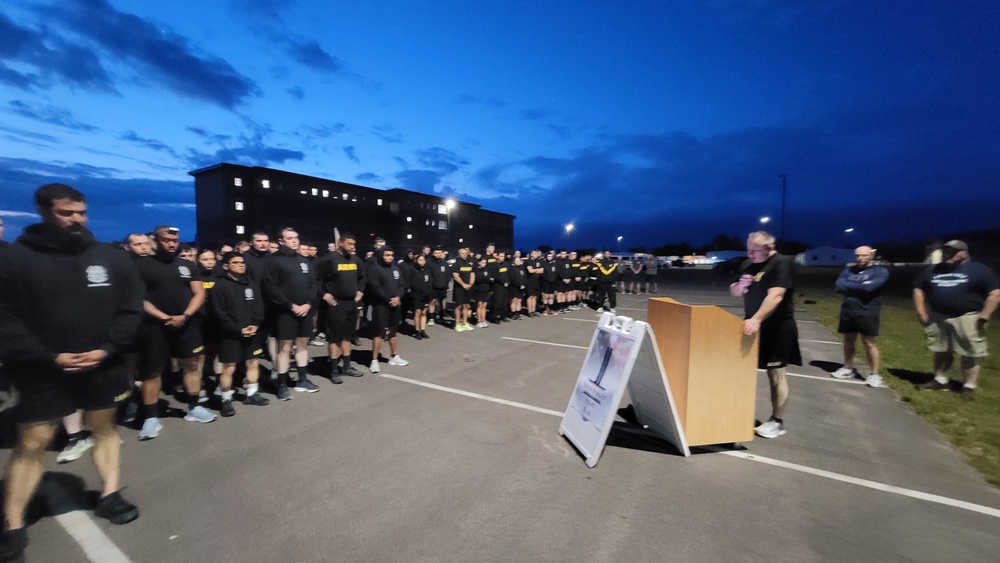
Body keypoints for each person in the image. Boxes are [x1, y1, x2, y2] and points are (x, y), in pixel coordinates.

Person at [0, 184, 144, 561]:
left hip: (102, 364)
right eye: (67, 213)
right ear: (44, 211)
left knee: (104, 427)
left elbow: (130, 308)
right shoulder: (15, 258)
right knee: (34, 439)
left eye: (81, 212)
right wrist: (50, 356)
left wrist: (108, 348)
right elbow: (5, 318)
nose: (76, 219)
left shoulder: (109, 257)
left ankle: (110, 494)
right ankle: (13, 524)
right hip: (43, 369)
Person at [135, 225, 215, 433]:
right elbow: (137, 298)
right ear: (154, 241)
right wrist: (163, 317)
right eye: (166, 240)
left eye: (174, 240)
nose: (171, 244)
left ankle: (194, 407)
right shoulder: (141, 265)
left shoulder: (187, 266)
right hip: (155, 326)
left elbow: (199, 293)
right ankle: (150, 418)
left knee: (191, 365)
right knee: (152, 371)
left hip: (186, 324)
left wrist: (185, 315)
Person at [730, 231, 801, 439]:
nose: (750, 253)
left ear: (769, 248)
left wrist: (757, 319)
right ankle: (739, 412)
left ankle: (777, 421)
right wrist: (740, 285)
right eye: (748, 249)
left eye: (755, 250)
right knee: (742, 369)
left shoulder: (781, 263)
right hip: (751, 325)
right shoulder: (748, 264)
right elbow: (734, 291)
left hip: (777, 327)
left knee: (776, 374)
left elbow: (776, 296)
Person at [914, 240, 999, 399]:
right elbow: (919, 288)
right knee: (941, 349)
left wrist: (985, 315)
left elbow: (995, 293)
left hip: (968, 317)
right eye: (946, 252)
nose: (948, 255)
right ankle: (940, 380)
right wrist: (921, 312)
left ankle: (968, 386)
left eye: (953, 252)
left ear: (964, 253)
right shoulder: (934, 269)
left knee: (970, 352)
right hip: (939, 316)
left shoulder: (979, 270)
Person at [209, 252, 269, 415]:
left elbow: (259, 307)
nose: (241, 265)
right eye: (235, 262)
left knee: (253, 362)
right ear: (226, 266)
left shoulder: (250, 283)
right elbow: (219, 313)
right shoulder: (219, 285)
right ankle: (226, 399)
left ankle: (252, 394)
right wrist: (237, 329)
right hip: (231, 334)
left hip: (252, 332)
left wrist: (255, 325)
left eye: (242, 262)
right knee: (229, 367)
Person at [263, 227, 320, 398]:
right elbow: (270, 287)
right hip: (285, 312)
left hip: (305, 311)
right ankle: (281, 385)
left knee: (302, 346)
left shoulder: (304, 261)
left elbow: (312, 285)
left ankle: (302, 380)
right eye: (290, 238)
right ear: (281, 241)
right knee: (285, 348)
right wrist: (290, 305)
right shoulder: (273, 261)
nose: (295, 241)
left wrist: (308, 304)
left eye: (296, 237)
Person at [830, 246, 889, 387]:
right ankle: (847, 368)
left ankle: (874, 375)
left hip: (868, 311)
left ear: (871, 256)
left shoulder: (880, 271)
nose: (860, 258)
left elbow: (870, 288)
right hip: (848, 311)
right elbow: (838, 286)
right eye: (857, 256)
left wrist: (850, 285)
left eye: (864, 255)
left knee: (869, 343)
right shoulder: (848, 271)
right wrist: (860, 285)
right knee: (848, 340)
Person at [313, 232, 367, 381]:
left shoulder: (355, 259)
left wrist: (360, 292)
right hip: (335, 304)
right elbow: (313, 277)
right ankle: (334, 370)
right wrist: (323, 294)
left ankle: (347, 367)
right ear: (340, 243)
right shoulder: (329, 259)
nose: (352, 247)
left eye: (354, 244)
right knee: (334, 338)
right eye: (349, 244)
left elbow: (363, 277)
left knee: (347, 337)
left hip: (351, 303)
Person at [366, 247, 409, 372]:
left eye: (392, 255)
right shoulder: (374, 269)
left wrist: (397, 297)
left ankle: (394, 356)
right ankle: (374, 360)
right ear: (381, 255)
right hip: (381, 306)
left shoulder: (396, 269)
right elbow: (375, 288)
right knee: (378, 333)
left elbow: (402, 285)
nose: (390, 257)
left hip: (395, 305)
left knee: (393, 331)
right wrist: (388, 299)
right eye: (387, 255)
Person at [408, 254, 433, 339]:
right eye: (420, 260)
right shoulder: (413, 270)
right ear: (416, 260)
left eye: (423, 260)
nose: (422, 262)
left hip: (426, 295)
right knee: (417, 313)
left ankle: (422, 330)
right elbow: (413, 283)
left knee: (424, 312)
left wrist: (428, 292)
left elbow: (430, 282)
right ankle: (417, 330)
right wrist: (421, 291)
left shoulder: (427, 270)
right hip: (417, 295)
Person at [451, 246, 476, 331]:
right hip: (459, 288)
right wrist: (463, 284)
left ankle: (465, 323)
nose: (464, 255)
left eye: (465, 253)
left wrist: (470, 284)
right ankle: (457, 324)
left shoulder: (470, 263)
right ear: (459, 254)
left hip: (468, 288)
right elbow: (456, 276)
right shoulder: (456, 264)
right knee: (459, 306)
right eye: (462, 253)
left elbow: (472, 274)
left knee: (466, 306)